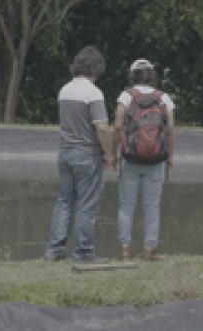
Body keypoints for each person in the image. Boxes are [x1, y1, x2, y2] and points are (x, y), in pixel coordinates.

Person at [44, 46, 115, 262]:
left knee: (64, 202)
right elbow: (101, 128)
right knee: (87, 204)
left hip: (65, 152)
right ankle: (83, 252)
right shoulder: (93, 93)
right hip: (86, 154)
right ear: (97, 68)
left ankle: (54, 250)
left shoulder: (64, 90)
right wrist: (110, 154)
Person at [113, 58, 175, 262]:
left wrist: (114, 153)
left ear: (132, 76)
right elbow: (170, 131)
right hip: (156, 160)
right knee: (152, 205)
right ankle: (150, 250)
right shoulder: (163, 98)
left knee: (126, 205)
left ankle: (124, 250)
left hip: (130, 159)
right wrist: (170, 157)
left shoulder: (126, 96)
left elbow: (118, 127)